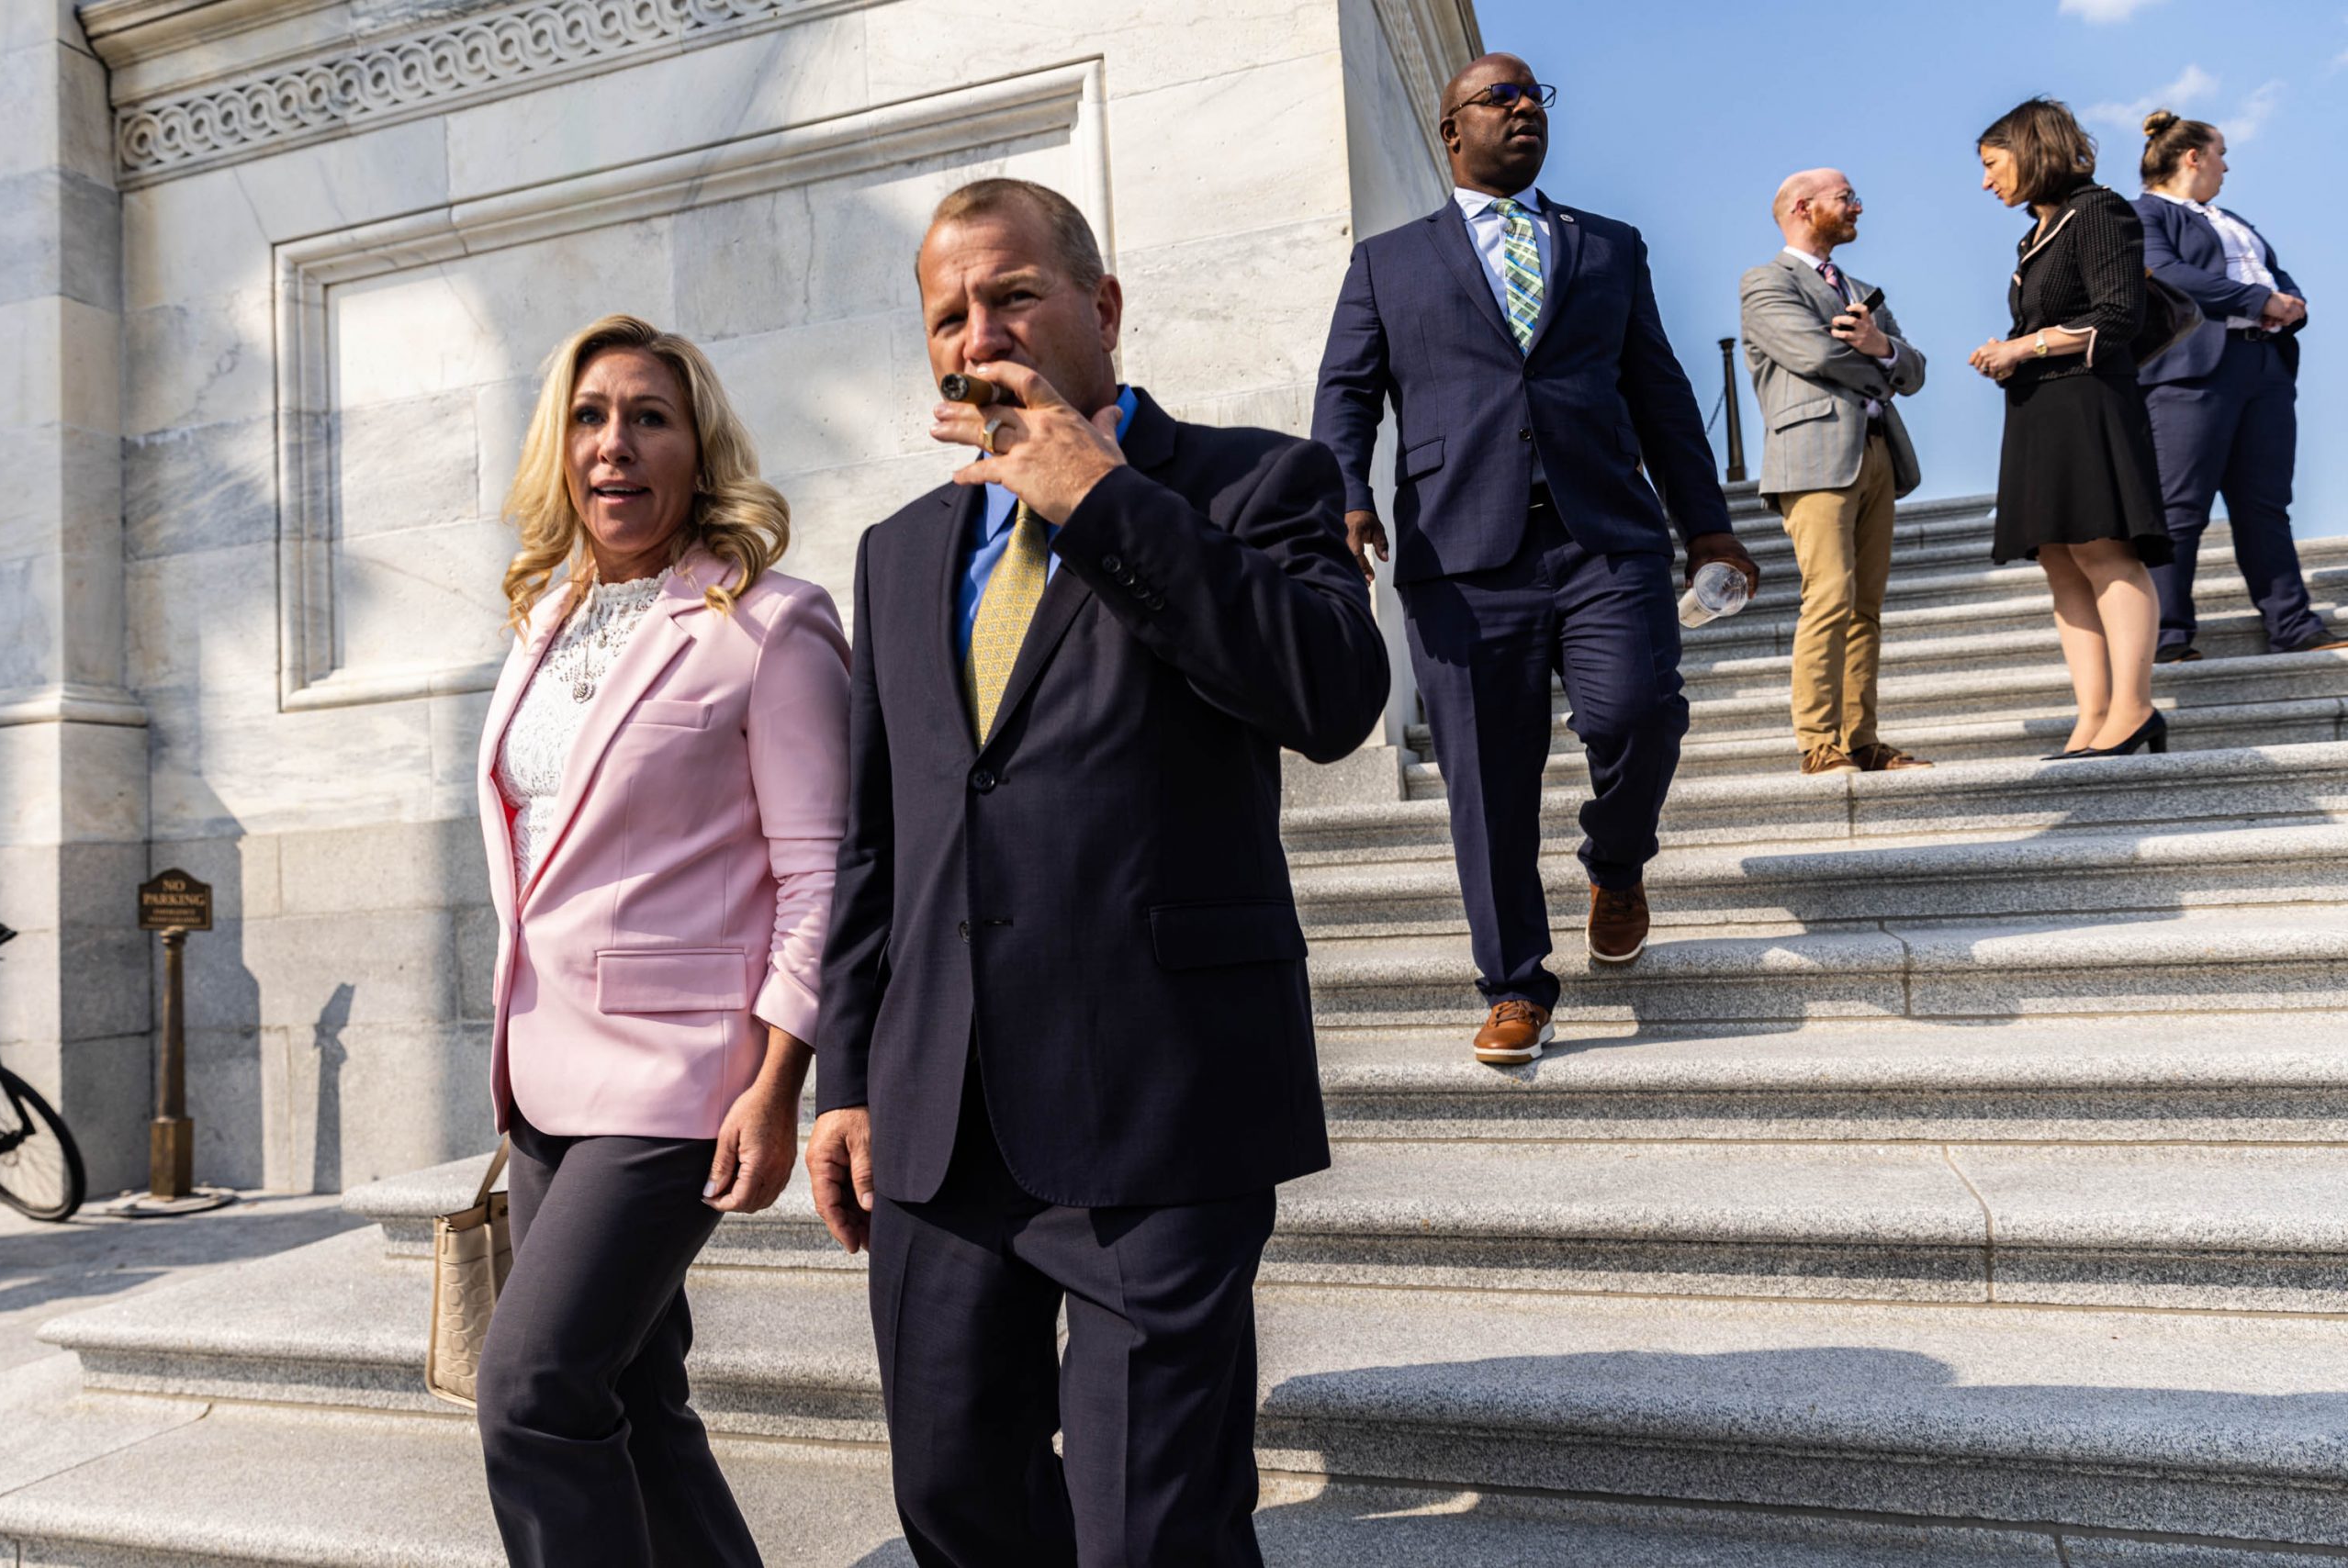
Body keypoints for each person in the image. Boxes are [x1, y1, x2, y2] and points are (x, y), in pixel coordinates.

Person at [803, 179, 1386, 1567]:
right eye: (950, 313)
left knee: (1152, 1531)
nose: (979, 333)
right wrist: (847, 1081)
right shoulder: (898, 555)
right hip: (943, 1120)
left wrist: (1105, 502)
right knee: (953, 1495)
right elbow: (876, 839)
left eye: (1013, 294)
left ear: (1102, 306)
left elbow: (1330, 694)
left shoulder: (1257, 482)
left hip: (1159, 1109)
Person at [471, 314, 850, 1567]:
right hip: (545, 1073)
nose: (615, 445)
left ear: (699, 447)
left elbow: (817, 873)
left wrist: (778, 1077)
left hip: (680, 1074)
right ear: (556, 446)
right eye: (589, 417)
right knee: (634, 1394)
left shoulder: (770, 624)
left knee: (530, 1391)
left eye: (649, 417)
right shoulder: (545, 623)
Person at [1311, 52, 1757, 1066]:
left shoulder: (1608, 246)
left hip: (1606, 531)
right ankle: (1516, 983)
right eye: (1497, 98)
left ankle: (1616, 858)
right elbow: (1346, 392)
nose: (1521, 109)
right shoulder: (1388, 261)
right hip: (1460, 553)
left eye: (1532, 96)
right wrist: (1340, 494)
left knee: (1637, 709)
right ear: (1449, 129)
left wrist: (1708, 526)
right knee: (1487, 780)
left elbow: (1661, 392)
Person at [1968, 97, 2171, 759]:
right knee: (2059, 559)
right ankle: (2092, 716)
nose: (1986, 181)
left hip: (2088, 404)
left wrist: (2023, 348)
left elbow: (2118, 317)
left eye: (1993, 164)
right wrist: (2011, 353)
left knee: (2104, 551)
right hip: (2039, 409)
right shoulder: (2035, 232)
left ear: (2030, 152)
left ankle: (2134, 708)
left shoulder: (2101, 211)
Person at [2133, 108, 2343, 663]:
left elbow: (2278, 278)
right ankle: (2167, 637)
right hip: (2192, 375)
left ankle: (2293, 626)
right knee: (2181, 507)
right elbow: (2168, 273)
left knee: (2266, 504)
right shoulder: (2144, 214)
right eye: (2221, 153)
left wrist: (2289, 308)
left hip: (2264, 368)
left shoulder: (2232, 218)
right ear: (2192, 156)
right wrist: (2257, 301)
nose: (2226, 165)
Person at [1740, 168, 1931, 777]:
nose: (1858, 208)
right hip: (1814, 456)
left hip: (1877, 450)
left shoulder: (1864, 287)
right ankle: (1817, 740)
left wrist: (1883, 347)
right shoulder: (1766, 282)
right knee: (1829, 595)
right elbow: (1813, 353)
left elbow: (1917, 370)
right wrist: (1882, 359)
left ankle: (1862, 737)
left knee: (1866, 605)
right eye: (1846, 198)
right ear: (1803, 206)